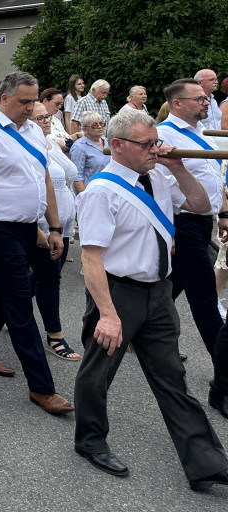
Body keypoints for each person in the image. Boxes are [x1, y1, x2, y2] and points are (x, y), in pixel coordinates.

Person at [73, 110, 228, 491]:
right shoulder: (101, 191)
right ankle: (90, 441)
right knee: (98, 373)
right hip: (118, 292)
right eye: (146, 144)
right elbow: (90, 259)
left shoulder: (159, 175)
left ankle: (206, 462)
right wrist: (107, 315)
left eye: (155, 142)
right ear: (118, 146)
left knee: (172, 376)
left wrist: (177, 167)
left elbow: (200, 205)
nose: (153, 150)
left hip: (158, 293)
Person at [0, 71, 74, 415]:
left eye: (33, 100)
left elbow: (45, 182)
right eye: (24, 101)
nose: (30, 107)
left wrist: (53, 228)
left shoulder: (34, 133)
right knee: (19, 305)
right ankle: (42, 388)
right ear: (2, 99)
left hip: (29, 227)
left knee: (14, 286)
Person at [155, 78, 228, 357]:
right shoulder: (163, 135)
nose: (206, 102)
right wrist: (169, 230)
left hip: (201, 222)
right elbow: (160, 187)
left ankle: (140, 334)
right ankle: (223, 372)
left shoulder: (201, 133)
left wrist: (223, 212)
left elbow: (212, 176)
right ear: (177, 103)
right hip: (181, 222)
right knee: (205, 297)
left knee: (172, 287)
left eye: (205, 98)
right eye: (199, 98)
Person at [30, 102, 80, 360]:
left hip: (64, 224)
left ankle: (6, 310)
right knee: (50, 280)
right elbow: (36, 190)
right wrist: (42, 228)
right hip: (47, 225)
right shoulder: (32, 149)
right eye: (39, 118)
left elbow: (73, 177)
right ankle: (55, 335)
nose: (46, 121)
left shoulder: (53, 145)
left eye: (47, 116)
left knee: (42, 277)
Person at [70, 111, 109, 187]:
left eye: (101, 123)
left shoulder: (107, 142)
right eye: (94, 125)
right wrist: (84, 197)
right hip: (91, 191)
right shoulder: (79, 147)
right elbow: (77, 178)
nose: (99, 127)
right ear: (85, 129)